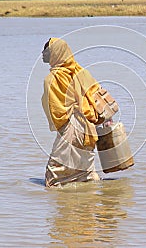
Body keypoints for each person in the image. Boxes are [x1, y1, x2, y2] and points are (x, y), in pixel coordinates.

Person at [41, 37, 102, 187]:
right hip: (88, 127)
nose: (42, 54)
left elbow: (56, 110)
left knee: (54, 175)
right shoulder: (82, 72)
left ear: (56, 53)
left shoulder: (52, 78)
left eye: (47, 51)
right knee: (86, 172)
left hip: (69, 127)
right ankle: (89, 204)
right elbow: (97, 96)